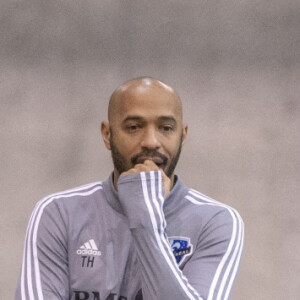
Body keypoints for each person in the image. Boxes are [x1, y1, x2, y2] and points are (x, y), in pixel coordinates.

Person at [15, 77, 244, 300]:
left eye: (166, 128)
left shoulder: (217, 221)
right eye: (134, 127)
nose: (151, 141)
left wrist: (146, 216)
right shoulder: (58, 213)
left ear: (182, 136)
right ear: (108, 134)